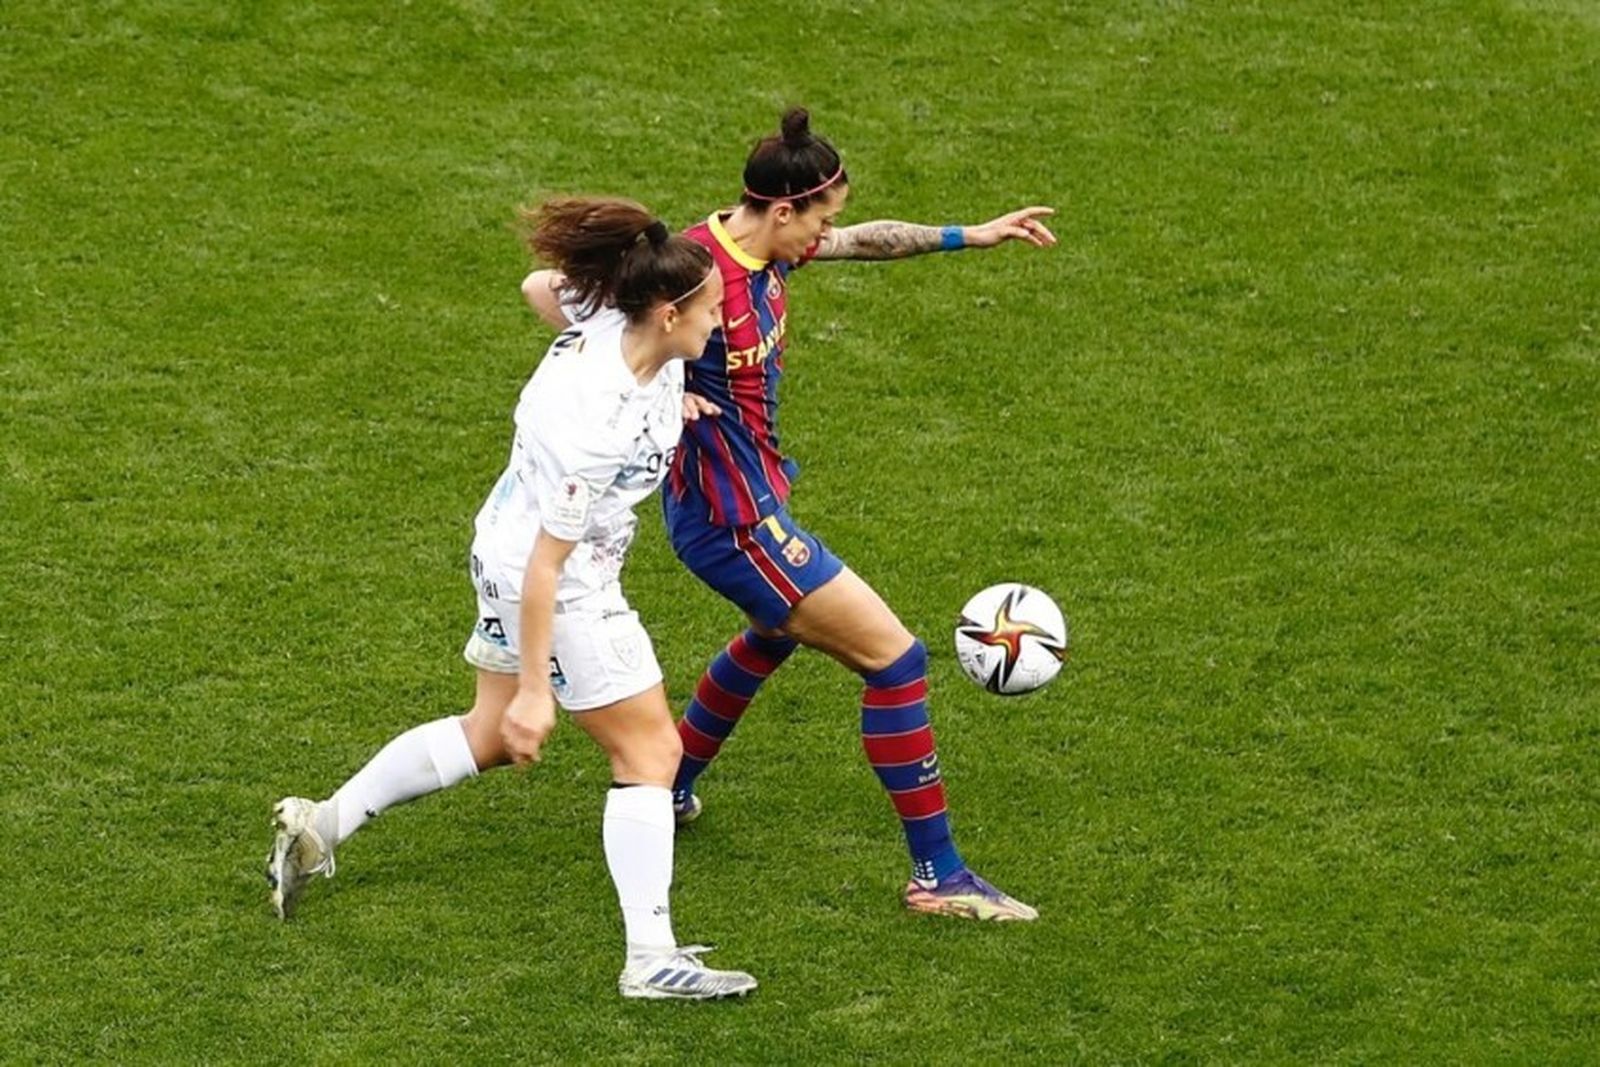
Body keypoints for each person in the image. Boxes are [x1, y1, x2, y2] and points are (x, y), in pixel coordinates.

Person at [525, 109, 1056, 922]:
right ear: (782, 212)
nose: (827, 236)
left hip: (745, 500)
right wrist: (655, 378)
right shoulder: (698, 274)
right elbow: (551, 295)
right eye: (822, 219)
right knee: (897, 659)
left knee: (773, 634)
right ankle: (938, 876)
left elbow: (866, 241)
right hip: (733, 521)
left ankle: (668, 788)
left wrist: (969, 235)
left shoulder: (763, 245)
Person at [265, 196, 757, 1000]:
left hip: (500, 541)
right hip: (556, 578)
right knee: (650, 754)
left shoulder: (617, 322)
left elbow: (540, 288)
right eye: (710, 310)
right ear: (667, 314)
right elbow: (548, 568)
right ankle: (650, 958)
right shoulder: (592, 421)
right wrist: (537, 688)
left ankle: (324, 824)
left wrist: (672, 394)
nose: (721, 323)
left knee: (485, 735)